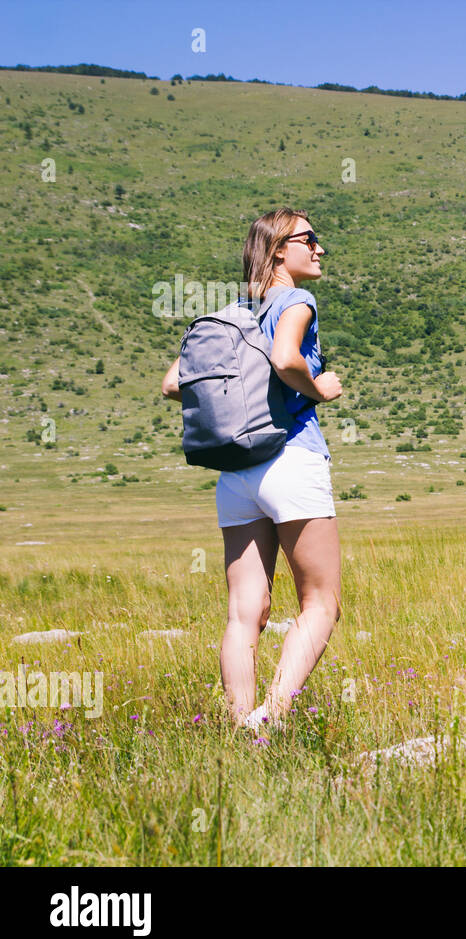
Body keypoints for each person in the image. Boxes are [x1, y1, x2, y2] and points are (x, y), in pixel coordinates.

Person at [162, 208, 342, 731]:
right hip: (291, 456)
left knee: (245, 609)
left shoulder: (232, 312)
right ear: (279, 249)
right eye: (310, 239)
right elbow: (288, 358)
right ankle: (274, 716)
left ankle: (241, 723)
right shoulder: (297, 300)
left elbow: (174, 382)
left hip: (237, 471)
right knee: (320, 601)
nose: (320, 249)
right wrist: (317, 388)